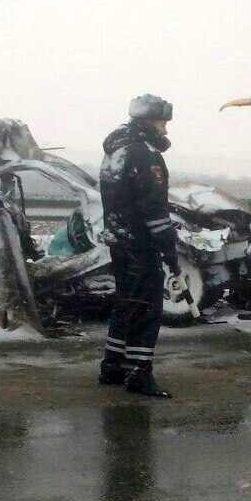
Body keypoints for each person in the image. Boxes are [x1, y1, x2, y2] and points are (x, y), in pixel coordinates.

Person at [98, 94, 180, 398]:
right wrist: (169, 249)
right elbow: (154, 210)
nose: (166, 131)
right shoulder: (146, 156)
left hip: (118, 241)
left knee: (125, 303)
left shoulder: (116, 152)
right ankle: (139, 372)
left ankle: (113, 365)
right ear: (148, 122)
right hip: (141, 245)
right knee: (147, 307)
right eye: (163, 123)